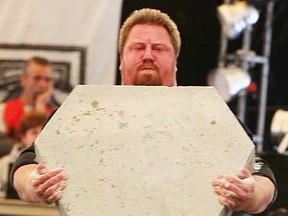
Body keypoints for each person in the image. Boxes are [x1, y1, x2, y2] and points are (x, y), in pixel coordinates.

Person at [11, 8, 276, 214]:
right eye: (138, 48)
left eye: (159, 48)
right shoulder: (83, 113)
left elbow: (264, 182)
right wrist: (34, 184)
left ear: (175, 62)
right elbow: (24, 168)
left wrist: (250, 194)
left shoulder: (213, 116)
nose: (148, 55)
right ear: (121, 60)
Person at [0, 56, 55, 141]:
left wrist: (40, 104)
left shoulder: (54, 116)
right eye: (37, 78)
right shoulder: (3, 110)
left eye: (47, 79)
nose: (42, 84)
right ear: (24, 80)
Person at [0, 110, 48, 198]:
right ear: (23, 137)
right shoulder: (5, 163)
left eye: (42, 132)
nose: (39, 136)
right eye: (34, 132)